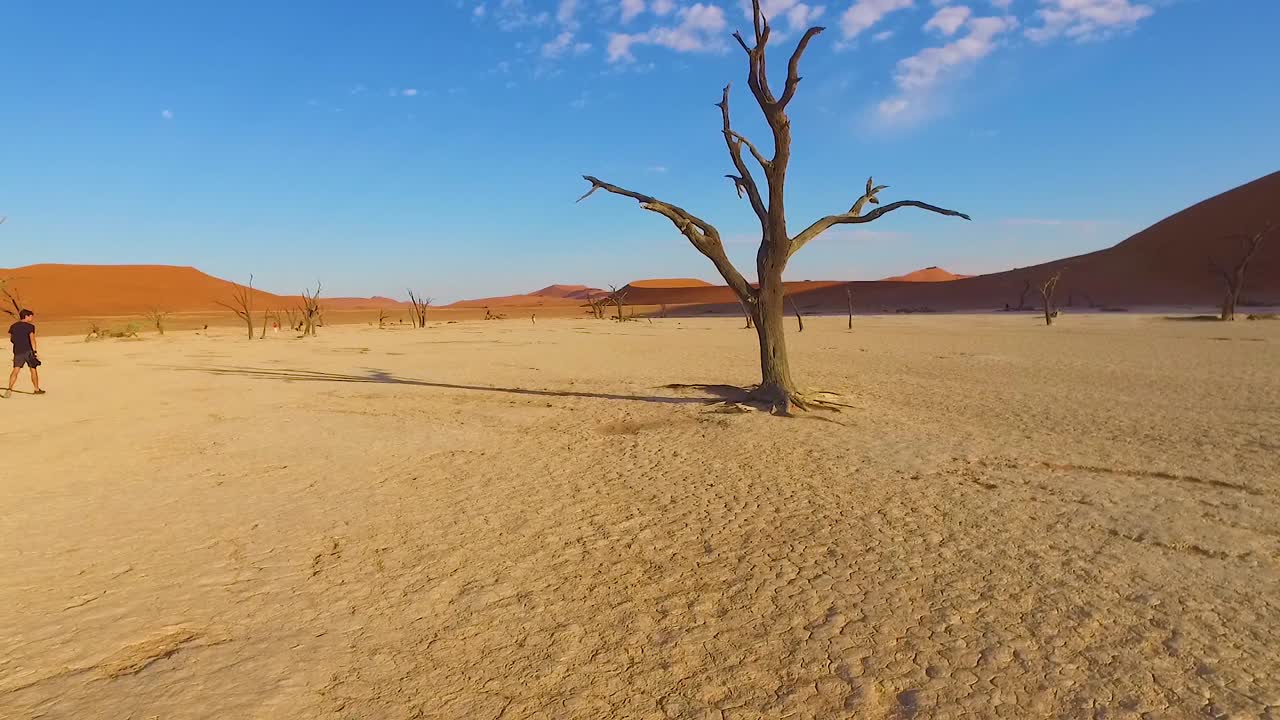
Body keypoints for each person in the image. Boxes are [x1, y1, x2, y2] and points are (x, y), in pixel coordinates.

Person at [6, 309, 44, 398]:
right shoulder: (30, 327)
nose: (31, 318)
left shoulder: (13, 326)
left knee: (16, 370)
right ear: (26, 316)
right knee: (33, 369)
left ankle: (9, 389)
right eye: (30, 316)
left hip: (17, 351)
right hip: (28, 351)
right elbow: (32, 339)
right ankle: (36, 389)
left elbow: (12, 339)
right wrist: (34, 351)